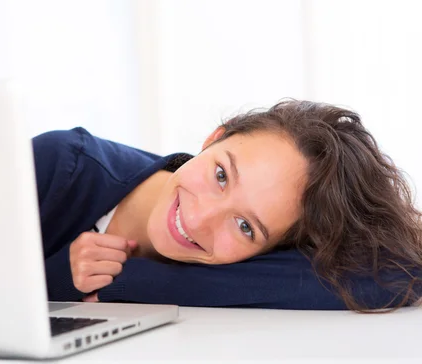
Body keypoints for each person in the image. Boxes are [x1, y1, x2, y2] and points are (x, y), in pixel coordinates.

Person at [33, 100, 422, 312]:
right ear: (214, 138)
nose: (200, 219)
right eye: (221, 175)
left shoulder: (250, 257)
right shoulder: (60, 166)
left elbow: (395, 273)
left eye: (245, 227)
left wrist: (141, 282)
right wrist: (56, 277)